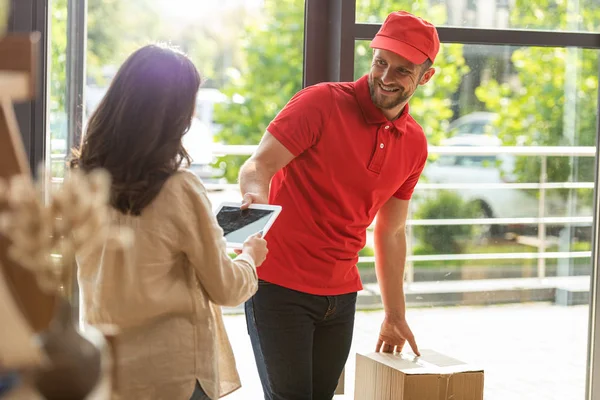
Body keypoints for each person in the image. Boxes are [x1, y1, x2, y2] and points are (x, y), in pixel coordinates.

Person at [239, 10, 439, 400]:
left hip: (341, 295)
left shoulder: (414, 143)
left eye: (402, 71)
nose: (385, 77)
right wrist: (254, 201)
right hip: (279, 285)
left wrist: (394, 316)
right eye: (381, 61)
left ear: (426, 76)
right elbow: (258, 165)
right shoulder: (321, 103)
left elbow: (391, 230)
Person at [72, 44, 268, 400]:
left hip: (110, 370)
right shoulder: (179, 188)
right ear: (176, 112)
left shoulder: (82, 180)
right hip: (172, 375)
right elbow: (225, 288)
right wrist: (250, 257)